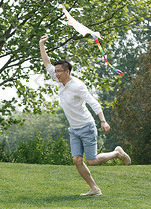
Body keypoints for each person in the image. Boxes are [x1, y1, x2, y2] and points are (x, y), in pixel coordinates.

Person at [39, 35, 131, 196]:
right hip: (74, 129)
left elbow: (93, 102)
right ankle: (94, 188)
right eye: (56, 72)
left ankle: (117, 153)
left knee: (92, 160)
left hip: (87, 127)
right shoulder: (60, 81)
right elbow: (47, 63)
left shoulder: (78, 86)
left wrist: (103, 121)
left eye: (59, 71)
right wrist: (41, 44)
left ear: (67, 71)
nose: (56, 74)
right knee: (77, 160)